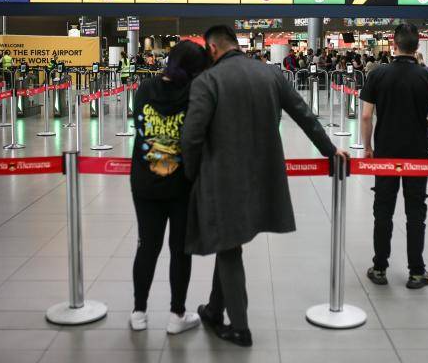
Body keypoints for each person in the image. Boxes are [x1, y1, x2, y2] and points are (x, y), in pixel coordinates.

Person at [182, 25, 348, 347]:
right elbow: (304, 114)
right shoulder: (270, 75)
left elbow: (191, 136)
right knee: (230, 242)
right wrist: (330, 150)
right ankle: (215, 310)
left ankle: (240, 328)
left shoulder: (208, 81)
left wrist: (189, 175)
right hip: (263, 176)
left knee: (228, 246)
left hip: (222, 178)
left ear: (212, 49)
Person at [129, 41, 211, 334]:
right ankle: (177, 314)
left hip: (144, 181)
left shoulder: (145, 88)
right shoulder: (195, 93)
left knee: (146, 246)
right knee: (180, 250)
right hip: (182, 185)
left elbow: (138, 126)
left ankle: (139, 311)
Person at [360, 22, 428, 289]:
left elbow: (365, 116)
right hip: (417, 154)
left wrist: (368, 147)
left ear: (393, 44)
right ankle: (416, 272)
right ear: (418, 46)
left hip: (385, 151)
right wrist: (424, 124)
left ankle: (379, 268)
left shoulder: (377, 74)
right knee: (416, 213)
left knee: (383, 211)